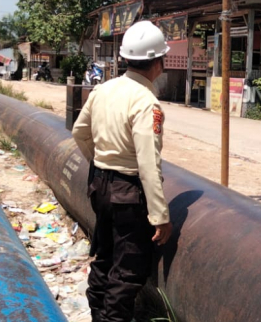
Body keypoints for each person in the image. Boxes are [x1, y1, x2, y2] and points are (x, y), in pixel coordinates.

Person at [72, 20, 173, 322]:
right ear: (158, 62)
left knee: (104, 255)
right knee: (128, 269)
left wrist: (100, 163)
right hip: (127, 193)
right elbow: (147, 163)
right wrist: (160, 216)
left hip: (99, 185)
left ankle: (97, 315)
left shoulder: (103, 89)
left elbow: (79, 132)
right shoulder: (146, 102)